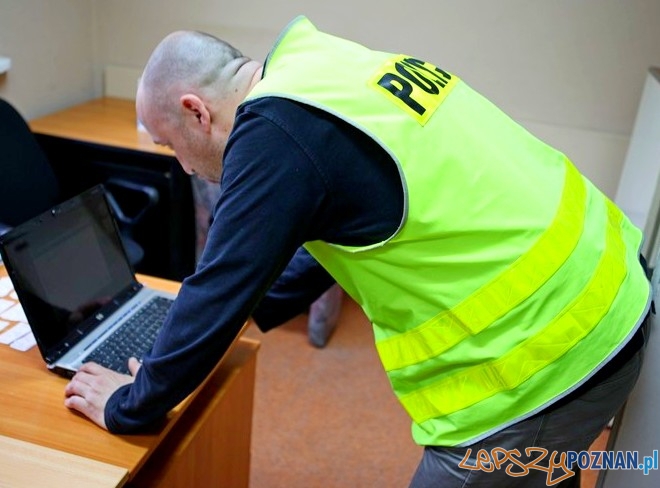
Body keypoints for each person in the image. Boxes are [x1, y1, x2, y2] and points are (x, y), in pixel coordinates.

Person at [64, 16, 652, 487]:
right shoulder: (318, 68)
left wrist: (129, 405)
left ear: (196, 110)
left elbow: (219, 281)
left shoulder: (273, 135)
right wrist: (228, 318)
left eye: (173, 145)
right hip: (605, 281)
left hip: (547, 353)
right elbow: (328, 231)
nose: (184, 165)